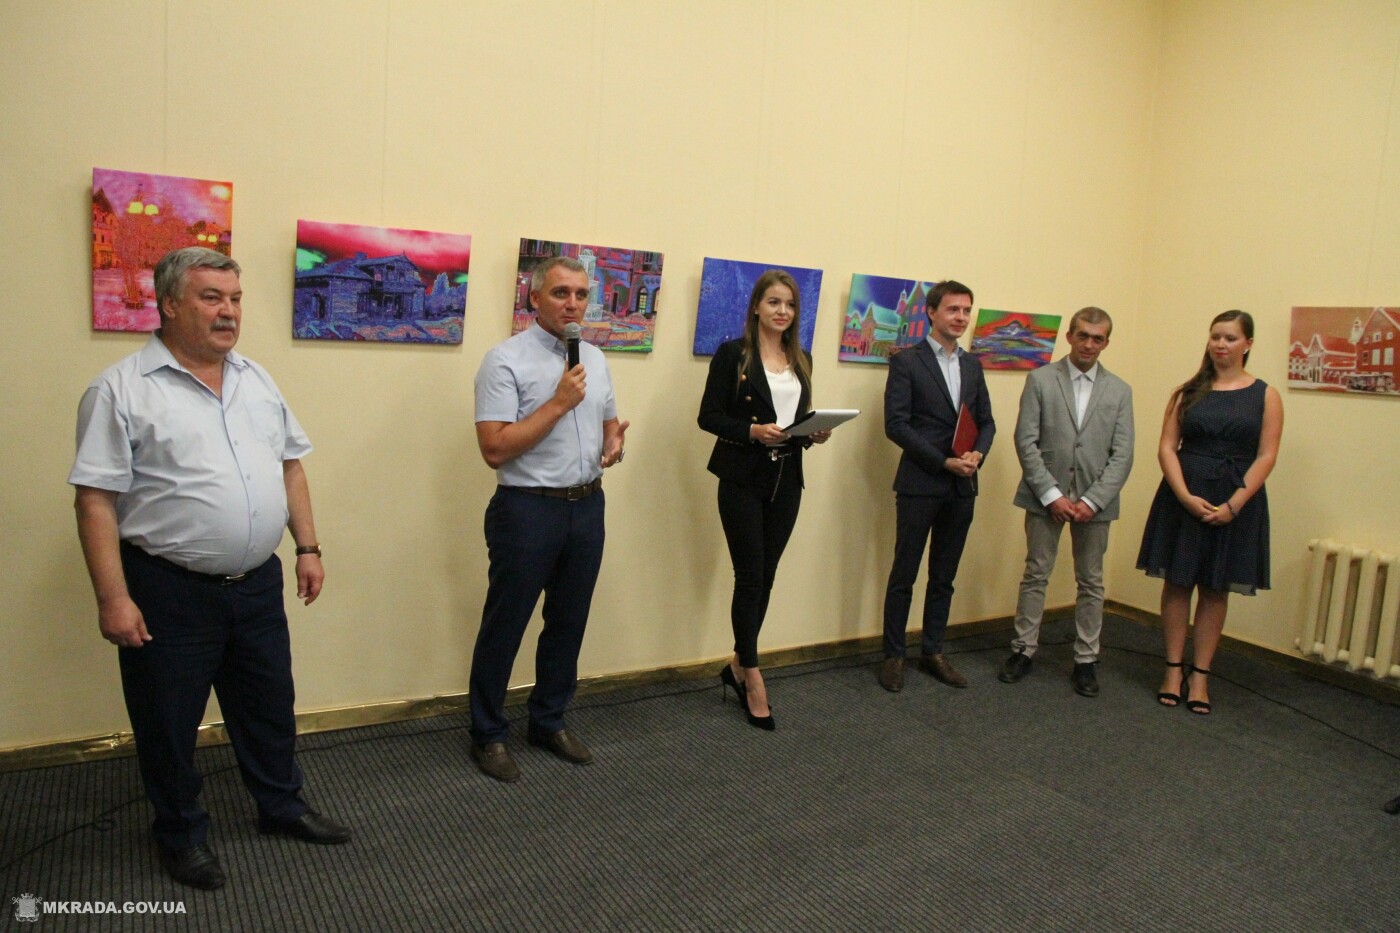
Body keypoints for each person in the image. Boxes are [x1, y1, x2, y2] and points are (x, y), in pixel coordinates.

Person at [69, 247, 350, 891]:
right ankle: (181, 835)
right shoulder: (120, 390)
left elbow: (290, 465)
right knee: (168, 722)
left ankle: (281, 806)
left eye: (236, 299)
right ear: (170, 304)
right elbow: (95, 501)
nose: (229, 312)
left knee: (269, 706)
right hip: (168, 590)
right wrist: (113, 598)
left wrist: (307, 547)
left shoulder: (256, 378)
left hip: (256, 584)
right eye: (212, 298)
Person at [469, 256, 629, 782]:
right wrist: (558, 403)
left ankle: (548, 720)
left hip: (587, 505)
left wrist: (614, 443)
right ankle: (488, 734)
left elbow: (608, 423)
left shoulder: (596, 359)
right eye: (561, 293)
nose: (573, 304)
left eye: (581, 294)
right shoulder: (504, 361)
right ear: (534, 298)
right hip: (527, 510)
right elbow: (494, 449)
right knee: (506, 624)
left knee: (568, 621)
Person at [698, 270, 831, 731]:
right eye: (774, 302)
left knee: (767, 574)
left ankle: (738, 664)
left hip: (787, 478)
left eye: (790, 305)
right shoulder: (733, 355)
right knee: (750, 576)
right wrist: (752, 431)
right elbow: (708, 417)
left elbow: (795, 420)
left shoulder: (802, 359)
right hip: (742, 476)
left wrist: (813, 432)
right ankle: (752, 674)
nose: (782, 311)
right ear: (756, 306)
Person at [1137, 310, 1282, 715]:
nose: (1221, 344)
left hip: (1236, 500)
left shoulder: (1265, 395)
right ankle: (1172, 670)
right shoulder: (1187, 392)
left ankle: (1200, 675)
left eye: (1230, 338)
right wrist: (1184, 495)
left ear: (1248, 344)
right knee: (1178, 582)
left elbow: (1267, 455)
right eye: (1215, 336)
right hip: (1184, 496)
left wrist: (1235, 504)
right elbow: (1167, 447)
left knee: (1216, 587)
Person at [1000, 308, 1135, 696]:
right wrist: (1052, 495)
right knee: (1036, 573)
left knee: (1091, 581)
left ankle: (1086, 659)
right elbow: (1026, 440)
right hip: (1044, 497)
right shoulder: (1041, 379)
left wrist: (1093, 500)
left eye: (1098, 338)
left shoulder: (1119, 390)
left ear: (1106, 342)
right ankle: (1023, 649)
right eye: (1083, 336)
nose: (1089, 344)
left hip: (1096, 502)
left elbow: (1123, 454)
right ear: (1070, 337)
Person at [878, 280, 995, 693]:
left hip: (962, 486)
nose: (961, 317)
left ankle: (933, 651)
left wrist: (977, 455)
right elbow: (896, 426)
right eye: (952, 310)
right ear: (931, 312)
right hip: (920, 482)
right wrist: (942, 461)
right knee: (904, 575)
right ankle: (894, 656)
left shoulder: (972, 365)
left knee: (944, 577)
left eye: (966, 310)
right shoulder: (907, 362)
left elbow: (987, 422)